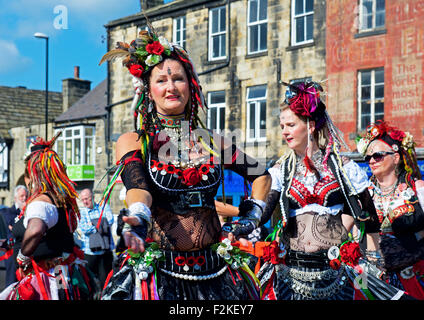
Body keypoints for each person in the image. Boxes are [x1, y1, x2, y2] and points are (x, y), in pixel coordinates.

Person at [99, 29, 271, 300]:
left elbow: (261, 175)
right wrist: (139, 217)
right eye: (162, 80)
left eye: (178, 78)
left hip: (217, 274)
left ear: (190, 87)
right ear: (147, 89)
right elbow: (138, 186)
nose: (171, 87)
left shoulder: (212, 142)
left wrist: (250, 219)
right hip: (160, 279)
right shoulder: (135, 141)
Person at [257, 80, 407, 300]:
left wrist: (374, 267)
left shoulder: (344, 168)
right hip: (290, 278)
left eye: (290, 125)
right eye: (282, 127)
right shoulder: (281, 170)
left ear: (310, 125)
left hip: (335, 278)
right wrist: (241, 222)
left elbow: (369, 219)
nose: (284, 132)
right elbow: (264, 210)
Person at [0, 134, 99, 300]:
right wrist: (10, 244)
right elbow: (47, 237)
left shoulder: (41, 201)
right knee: (63, 295)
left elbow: (36, 230)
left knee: (56, 295)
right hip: (60, 274)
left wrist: (22, 257)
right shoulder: (57, 200)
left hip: (47, 278)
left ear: (30, 177)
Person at [356, 121, 424, 299]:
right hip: (368, 276)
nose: (371, 160)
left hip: (409, 274)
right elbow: (355, 237)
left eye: (377, 155)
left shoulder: (417, 189)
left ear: (396, 158)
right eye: (367, 157)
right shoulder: (362, 195)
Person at [77, 188, 115, 288]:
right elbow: (84, 229)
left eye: (87, 199)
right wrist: (100, 224)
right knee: (90, 282)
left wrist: (93, 224)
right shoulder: (81, 212)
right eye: (83, 200)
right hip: (89, 253)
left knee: (106, 282)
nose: (85, 202)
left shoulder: (104, 207)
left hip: (105, 252)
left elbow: (110, 221)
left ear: (93, 197)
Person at [0, 185, 28, 288]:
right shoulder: (7, 212)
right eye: (21, 196)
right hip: (12, 253)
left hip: (26, 252)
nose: (24, 198)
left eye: (26, 196)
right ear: (15, 198)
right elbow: (13, 228)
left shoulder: (29, 211)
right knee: (12, 283)